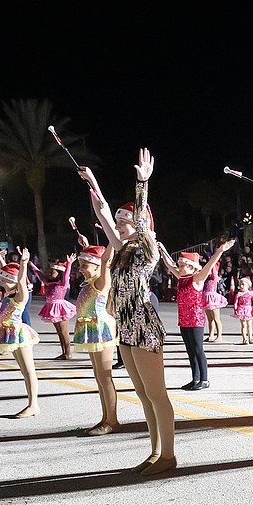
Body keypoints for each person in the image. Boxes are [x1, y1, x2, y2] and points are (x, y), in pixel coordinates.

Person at [79, 148, 177, 476]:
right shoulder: (119, 251)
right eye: (119, 222)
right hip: (124, 324)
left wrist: (142, 183)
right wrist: (93, 183)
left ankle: (169, 455)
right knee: (143, 395)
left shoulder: (147, 245)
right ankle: (154, 452)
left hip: (144, 324)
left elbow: (137, 218)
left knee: (156, 394)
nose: (119, 225)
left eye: (127, 221)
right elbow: (104, 212)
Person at [160, 241, 235, 388]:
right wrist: (163, 249)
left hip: (195, 320)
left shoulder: (197, 278)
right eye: (180, 266)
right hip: (183, 320)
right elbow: (169, 264)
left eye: (182, 266)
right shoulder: (182, 278)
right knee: (189, 350)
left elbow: (209, 266)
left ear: (191, 267)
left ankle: (204, 379)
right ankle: (195, 379)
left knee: (198, 349)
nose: (179, 268)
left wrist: (220, 251)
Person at [71, 242, 120, 435]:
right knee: (99, 376)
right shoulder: (90, 282)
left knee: (105, 376)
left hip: (101, 329)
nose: (81, 269)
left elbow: (107, 259)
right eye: (80, 265)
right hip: (90, 329)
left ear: (98, 265)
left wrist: (111, 238)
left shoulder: (101, 281)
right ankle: (105, 417)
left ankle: (112, 420)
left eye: (84, 265)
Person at [0, 249, 40, 418]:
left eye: (4, 278)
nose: (1, 279)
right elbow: (8, 272)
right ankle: (32, 404)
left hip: (20, 334)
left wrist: (24, 263)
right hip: (10, 334)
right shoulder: (8, 293)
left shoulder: (21, 295)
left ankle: (33, 405)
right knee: (23, 372)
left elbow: (19, 278)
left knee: (29, 371)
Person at [35, 256, 77, 360]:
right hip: (51, 308)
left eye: (52, 272)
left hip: (60, 308)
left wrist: (69, 263)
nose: (49, 273)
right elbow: (39, 275)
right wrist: (30, 264)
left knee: (64, 332)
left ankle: (68, 353)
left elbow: (66, 275)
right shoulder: (49, 283)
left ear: (59, 273)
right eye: (49, 271)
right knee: (59, 332)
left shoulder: (62, 283)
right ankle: (64, 353)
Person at [203, 253, 230, 343]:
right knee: (210, 319)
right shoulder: (205, 278)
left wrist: (211, 260)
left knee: (216, 318)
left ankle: (219, 336)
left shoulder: (214, 277)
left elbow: (213, 268)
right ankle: (211, 335)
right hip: (206, 298)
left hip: (213, 298)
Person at [232, 275, 253, 344]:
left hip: (249, 310)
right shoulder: (239, 294)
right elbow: (235, 303)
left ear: (248, 286)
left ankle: (250, 338)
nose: (241, 286)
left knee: (249, 325)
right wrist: (235, 310)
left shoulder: (251, 293)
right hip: (241, 310)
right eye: (240, 284)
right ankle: (244, 339)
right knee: (243, 325)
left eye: (243, 284)